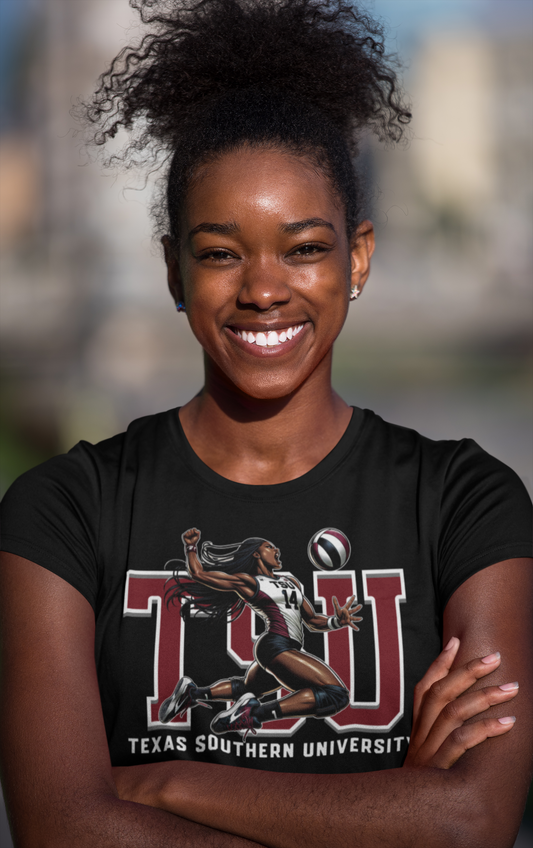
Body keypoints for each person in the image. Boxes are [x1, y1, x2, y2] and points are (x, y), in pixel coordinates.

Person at [0, 1, 531, 846]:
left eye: (304, 247)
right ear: (172, 267)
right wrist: (389, 811)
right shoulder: (64, 512)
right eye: (218, 252)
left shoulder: (464, 503)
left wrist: (162, 785)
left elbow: (469, 821)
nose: (262, 288)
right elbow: (63, 830)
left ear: (355, 257)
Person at [159, 529, 363, 733]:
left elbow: (311, 620)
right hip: (276, 646)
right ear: (256, 554)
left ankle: (192, 693)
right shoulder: (249, 582)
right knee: (336, 694)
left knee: (247, 689)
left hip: (284, 648)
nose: (276, 549)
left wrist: (336, 621)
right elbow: (199, 574)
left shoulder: (290, 582)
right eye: (269, 546)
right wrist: (191, 547)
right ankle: (254, 714)